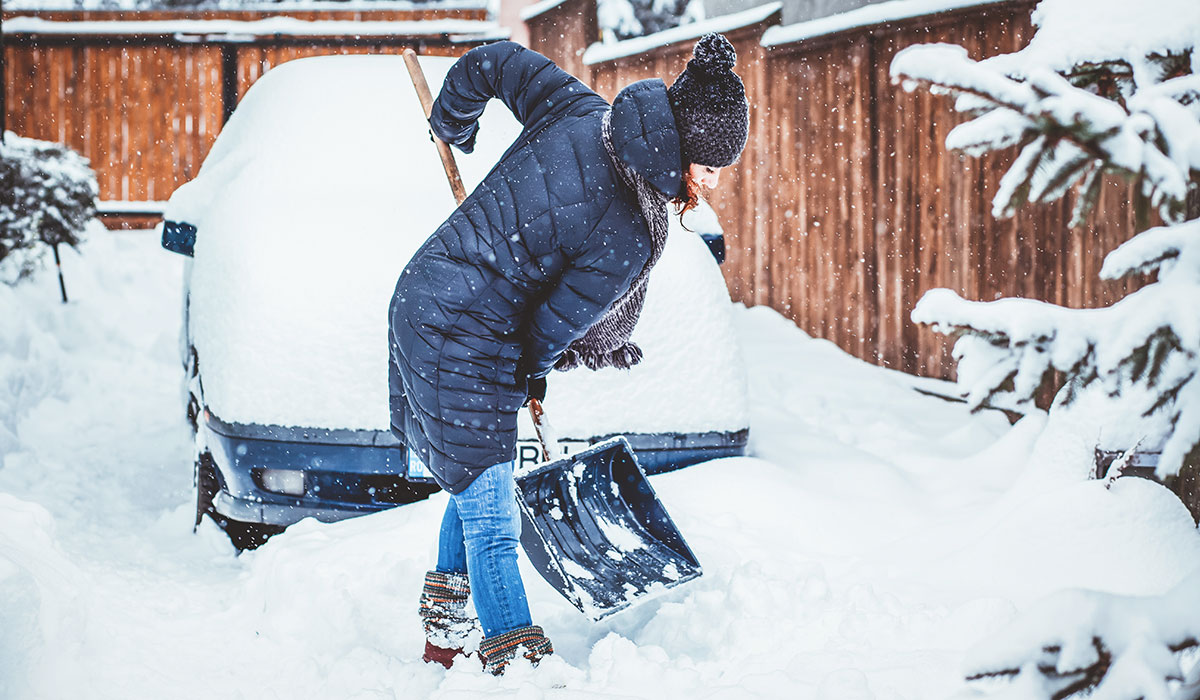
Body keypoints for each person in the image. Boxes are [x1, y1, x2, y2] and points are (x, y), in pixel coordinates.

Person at [388, 32, 749, 675]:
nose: (714, 182)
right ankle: (520, 668)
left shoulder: (581, 110)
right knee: (494, 518)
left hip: (426, 294)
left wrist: (455, 116)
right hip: (463, 336)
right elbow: (552, 327)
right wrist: (534, 372)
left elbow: (496, 61)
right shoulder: (632, 233)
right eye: (711, 165)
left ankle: (443, 637)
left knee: (477, 474)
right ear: (683, 151)